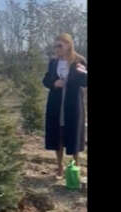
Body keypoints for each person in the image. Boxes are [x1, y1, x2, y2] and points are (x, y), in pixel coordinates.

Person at [42, 33, 87, 178]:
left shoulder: (78, 61)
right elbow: (46, 80)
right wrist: (54, 83)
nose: (57, 49)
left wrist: (83, 73)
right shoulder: (53, 62)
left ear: (68, 45)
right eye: (55, 46)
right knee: (57, 135)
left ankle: (76, 166)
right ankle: (59, 167)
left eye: (59, 46)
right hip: (56, 103)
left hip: (72, 103)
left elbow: (85, 81)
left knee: (73, 134)